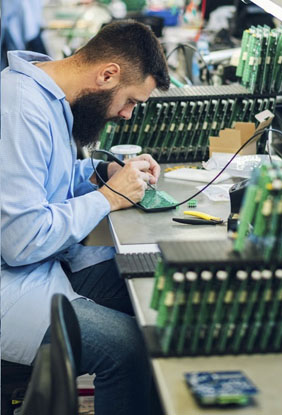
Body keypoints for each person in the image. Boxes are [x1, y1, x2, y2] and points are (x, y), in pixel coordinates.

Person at [0, 20, 170, 415]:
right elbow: (21, 239)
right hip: (13, 280)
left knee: (154, 296)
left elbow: (48, 178)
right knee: (127, 350)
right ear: (107, 74)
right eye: (130, 101)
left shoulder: (48, 94)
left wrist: (100, 174)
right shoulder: (20, 109)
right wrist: (109, 198)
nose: (128, 115)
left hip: (43, 266)